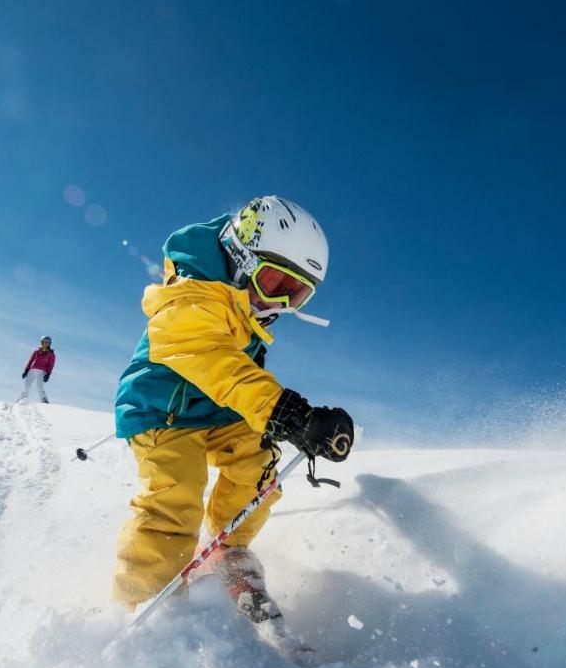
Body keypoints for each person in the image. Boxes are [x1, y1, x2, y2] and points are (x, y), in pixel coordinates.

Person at [113, 196, 354, 626]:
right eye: (273, 282)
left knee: (258, 465)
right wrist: (285, 410)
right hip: (164, 409)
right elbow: (207, 354)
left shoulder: (248, 307)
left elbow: (239, 374)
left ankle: (229, 548)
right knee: (174, 496)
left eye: (295, 295)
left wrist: (299, 422)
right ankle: (145, 604)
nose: (279, 303)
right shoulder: (190, 293)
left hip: (220, 410)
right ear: (241, 257)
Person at [19, 336, 56, 404]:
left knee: (39, 386)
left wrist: (48, 374)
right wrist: (26, 370)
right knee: (27, 385)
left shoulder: (51, 353)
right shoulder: (36, 351)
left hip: (41, 372)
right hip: (32, 370)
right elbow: (30, 361)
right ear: (42, 342)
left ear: (49, 343)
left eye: (47, 342)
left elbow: (51, 364)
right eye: (44, 342)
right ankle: (22, 399)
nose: (46, 343)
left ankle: (44, 400)